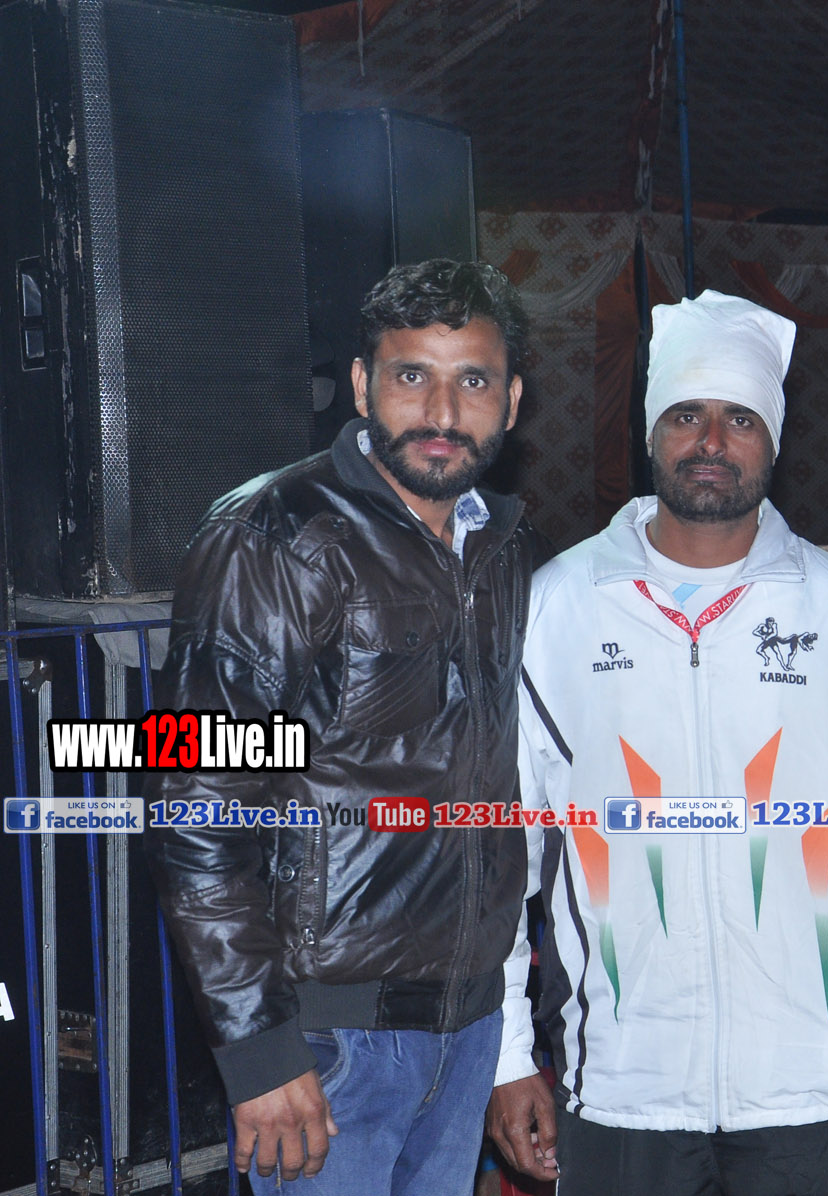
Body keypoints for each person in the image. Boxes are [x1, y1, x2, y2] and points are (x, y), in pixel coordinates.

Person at [485, 290, 828, 1196]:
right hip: (621, 1086)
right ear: (651, 433)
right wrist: (507, 1053)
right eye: (686, 414)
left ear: (774, 441)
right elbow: (505, 849)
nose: (711, 441)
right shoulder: (559, 607)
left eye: (741, 419)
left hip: (817, 1089)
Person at [145, 260, 538, 1193]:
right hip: (327, 1043)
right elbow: (195, 801)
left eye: (472, 380)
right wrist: (259, 1048)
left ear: (512, 401)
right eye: (411, 376)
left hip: (467, 1030)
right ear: (363, 386)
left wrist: (507, 1034)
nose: (442, 410)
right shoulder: (273, 533)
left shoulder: (505, 547)